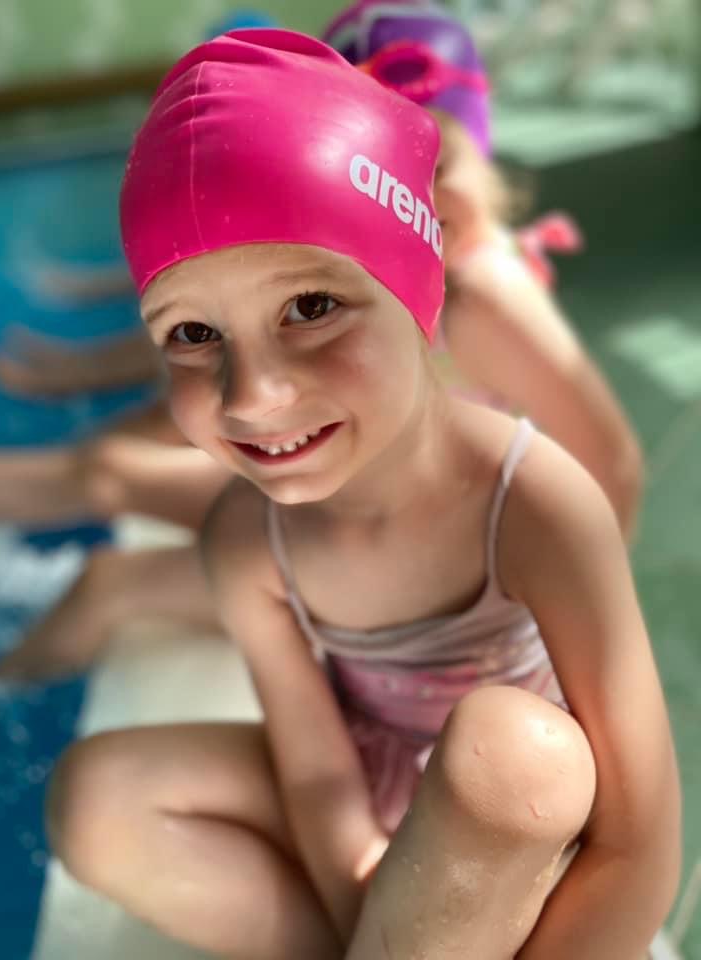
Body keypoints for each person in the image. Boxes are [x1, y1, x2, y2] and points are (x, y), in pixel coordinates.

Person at [43, 29, 679, 960]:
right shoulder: (246, 539)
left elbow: (638, 847)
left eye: (310, 308)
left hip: (524, 847)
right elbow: (316, 778)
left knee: (514, 752)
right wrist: (371, 920)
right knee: (96, 798)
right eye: (192, 333)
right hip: (376, 813)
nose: (253, 395)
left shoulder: (535, 504)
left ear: (420, 289)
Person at [323, 0, 643, 540]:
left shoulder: (480, 297)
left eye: (437, 165)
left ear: (483, 154)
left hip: (480, 564)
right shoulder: (407, 272)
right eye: (378, 174)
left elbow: (612, 466)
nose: (412, 199)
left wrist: (582, 587)